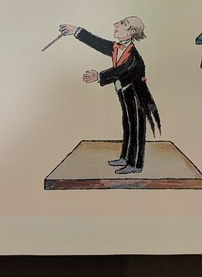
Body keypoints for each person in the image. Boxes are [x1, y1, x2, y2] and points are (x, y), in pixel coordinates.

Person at [59, 17, 160, 175]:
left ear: (131, 32)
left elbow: (121, 71)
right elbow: (97, 42)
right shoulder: (116, 47)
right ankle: (125, 158)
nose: (116, 24)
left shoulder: (134, 57)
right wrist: (76, 31)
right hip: (125, 91)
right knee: (128, 124)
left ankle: (135, 164)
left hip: (137, 95)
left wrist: (99, 76)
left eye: (123, 23)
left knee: (136, 127)